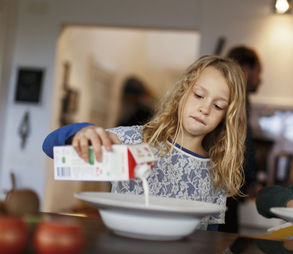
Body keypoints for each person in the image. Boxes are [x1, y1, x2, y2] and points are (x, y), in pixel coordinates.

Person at [42, 55, 247, 230]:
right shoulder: (130, 141)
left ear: (227, 116)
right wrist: (82, 132)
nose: (205, 108)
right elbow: (49, 147)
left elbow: (210, 237)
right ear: (182, 93)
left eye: (218, 106)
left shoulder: (217, 171)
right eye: (199, 95)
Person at [219, 45, 262, 233]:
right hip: (229, 180)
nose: (260, 79)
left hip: (221, 178)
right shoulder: (238, 96)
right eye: (258, 72)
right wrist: (251, 181)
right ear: (245, 68)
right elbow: (243, 142)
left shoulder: (224, 92)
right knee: (226, 238)